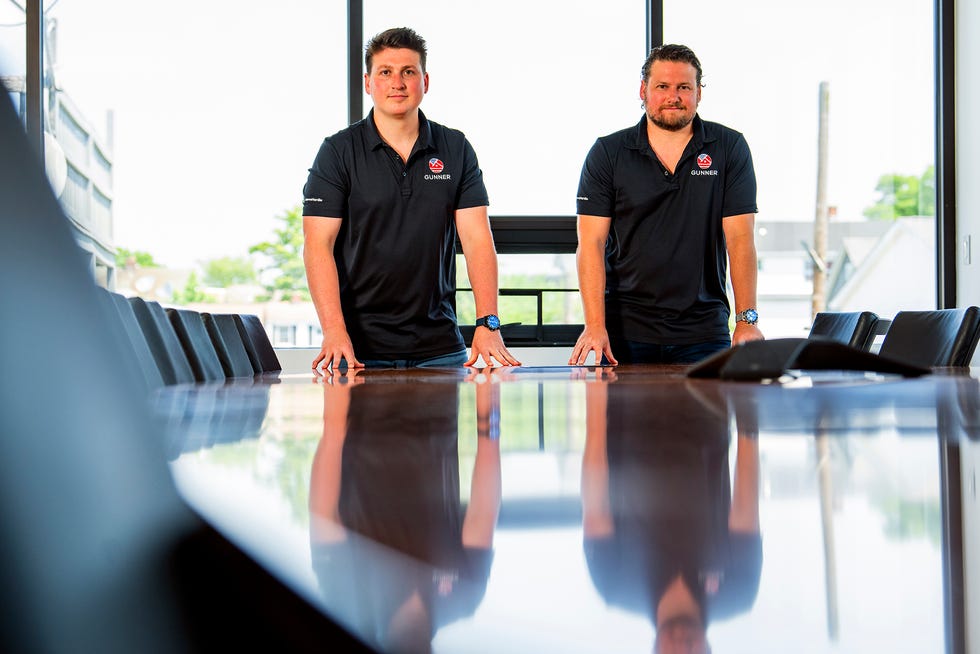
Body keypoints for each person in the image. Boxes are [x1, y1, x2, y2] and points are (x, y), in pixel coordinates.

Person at [302, 27, 519, 370]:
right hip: (357, 352)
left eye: (408, 72)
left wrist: (488, 323)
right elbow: (318, 246)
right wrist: (333, 331)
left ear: (425, 81)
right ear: (368, 82)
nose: (397, 83)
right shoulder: (337, 152)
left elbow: (477, 240)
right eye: (385, 72)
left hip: (440, 349)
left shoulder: (455, 148)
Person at [569, 44, 763, 366]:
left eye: (684, 87)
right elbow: (591, 243)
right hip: (624, 333)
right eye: (663, 86)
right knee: (621, 419)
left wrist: (746, 321)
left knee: (707, 419)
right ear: (643, 90)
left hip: (704, 332)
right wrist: (594, 325)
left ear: (698, 93)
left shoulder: (729, 147)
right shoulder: (608, 153)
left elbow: (740, 239)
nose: (673, 96)